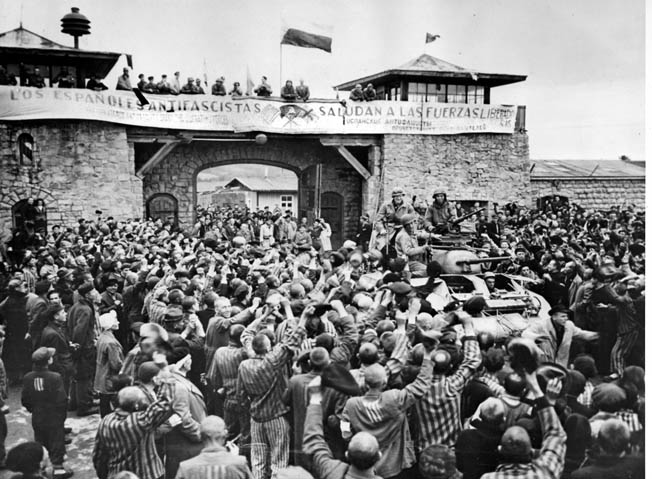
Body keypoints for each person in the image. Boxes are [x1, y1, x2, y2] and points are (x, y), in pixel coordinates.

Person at [342, 334, 436, 479]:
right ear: (385, 383)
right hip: (394, 465)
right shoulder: (394, 398)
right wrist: (428, 356)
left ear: (365, 384)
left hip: (363, 462)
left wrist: (353, 442)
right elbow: (421, 385)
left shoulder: (352, 404)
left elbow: (344, 427)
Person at [236, 308, 306, 479]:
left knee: (258, 461)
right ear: (268, 347)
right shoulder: (272, 361)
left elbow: (245, 334)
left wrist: (265, 315)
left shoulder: (244, 365)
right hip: (276, 417)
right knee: (279, 461)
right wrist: (303, 317)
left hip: (256, 419)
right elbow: (292, 341)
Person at [481, 374, 567, 479]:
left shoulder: (487, 478)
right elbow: (556, 434)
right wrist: (540, 393)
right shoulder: (545, 473)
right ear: (531, 452)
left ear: (500, 449)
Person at [92, 378, 175, 479]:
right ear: (136, 406)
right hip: (149, 474)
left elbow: (98, 456)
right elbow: (164, 404)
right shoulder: (140, 421)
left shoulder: (106, 421)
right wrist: (168, 378)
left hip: (118, 474)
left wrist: (104, 476)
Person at [303, 375, 383, 479]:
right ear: (379, 456)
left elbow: (315, 443)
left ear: (347, 455)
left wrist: (315, 399)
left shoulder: (331, 470)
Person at [21, 347, 71, 479]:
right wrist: (61, 417)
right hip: (54, 416)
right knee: (56, 442)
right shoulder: (55, 377)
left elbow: (25, 399)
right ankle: (58, 470)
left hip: (37, 416)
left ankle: (41, 470)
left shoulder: (27, 377)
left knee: (40, 441)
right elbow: (62, 400)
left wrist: (34, 409)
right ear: (48, 361)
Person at [175, 416, 252, 479]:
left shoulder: (186, 467)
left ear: (201, 437)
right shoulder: (239, 463)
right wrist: (234, 457)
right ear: (224, 436)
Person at [67, 282, 100, 416]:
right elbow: (79, 331)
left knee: (77, 376)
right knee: (84, 377)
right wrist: (78, 348)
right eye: (93, 291)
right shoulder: (86, 310)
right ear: (87, 295)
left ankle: (74, 402)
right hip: (84, 348)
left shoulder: (77, 306)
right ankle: (84, 406)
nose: (96, 293)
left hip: (79, 347)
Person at [39, 304, 75, 400]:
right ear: (55, 316)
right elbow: (53, 356)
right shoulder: (52, 333)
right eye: (63, 312)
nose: (66, 314)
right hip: (61, 370)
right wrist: (61, 372)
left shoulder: (53, 329)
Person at [0, 279, 30, 385]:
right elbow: (20, 318)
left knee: (14, 354)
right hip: (18, 332)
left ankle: (15, 377)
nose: (25, 288)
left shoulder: (10, 299)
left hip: (12, 332)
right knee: (19, 354)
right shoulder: (16, 301)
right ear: (17, 288)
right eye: (23, 286)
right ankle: (17, 377)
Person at [94, 311, 124, 417]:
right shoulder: (111, 342)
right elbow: (115, 364)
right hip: (109, 378)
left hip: (101, 376)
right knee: (110, 408)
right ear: (110, 325)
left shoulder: (102, 337)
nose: (118, 322)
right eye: (115, 320)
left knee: (104, 404)